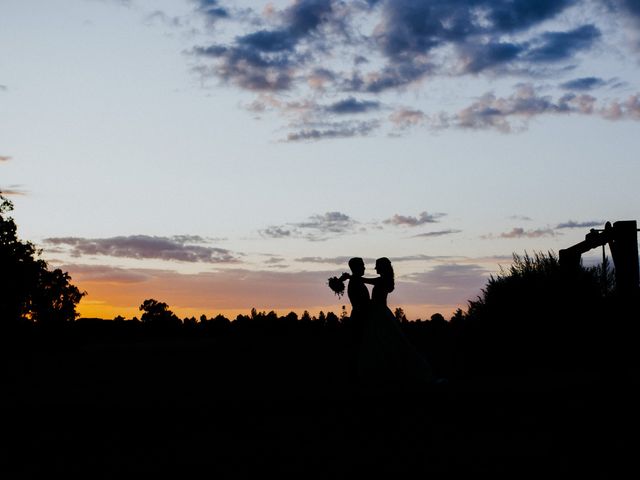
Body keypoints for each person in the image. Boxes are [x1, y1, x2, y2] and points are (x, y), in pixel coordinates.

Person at [349, 257, 434, 387]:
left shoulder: (382, 280)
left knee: (386, 341)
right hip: (379, 313)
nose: (375, 268)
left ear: (382, 267)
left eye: (377, 266)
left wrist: (350, 277)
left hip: (380, 313)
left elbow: (365, 280)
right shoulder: (384, 279)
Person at [338, 258, 370, 382]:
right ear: (356, 267)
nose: (364, 268)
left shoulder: (356, 281)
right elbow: (362, 303)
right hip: (360, 319)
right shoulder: (355, 282)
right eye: (362, 265)